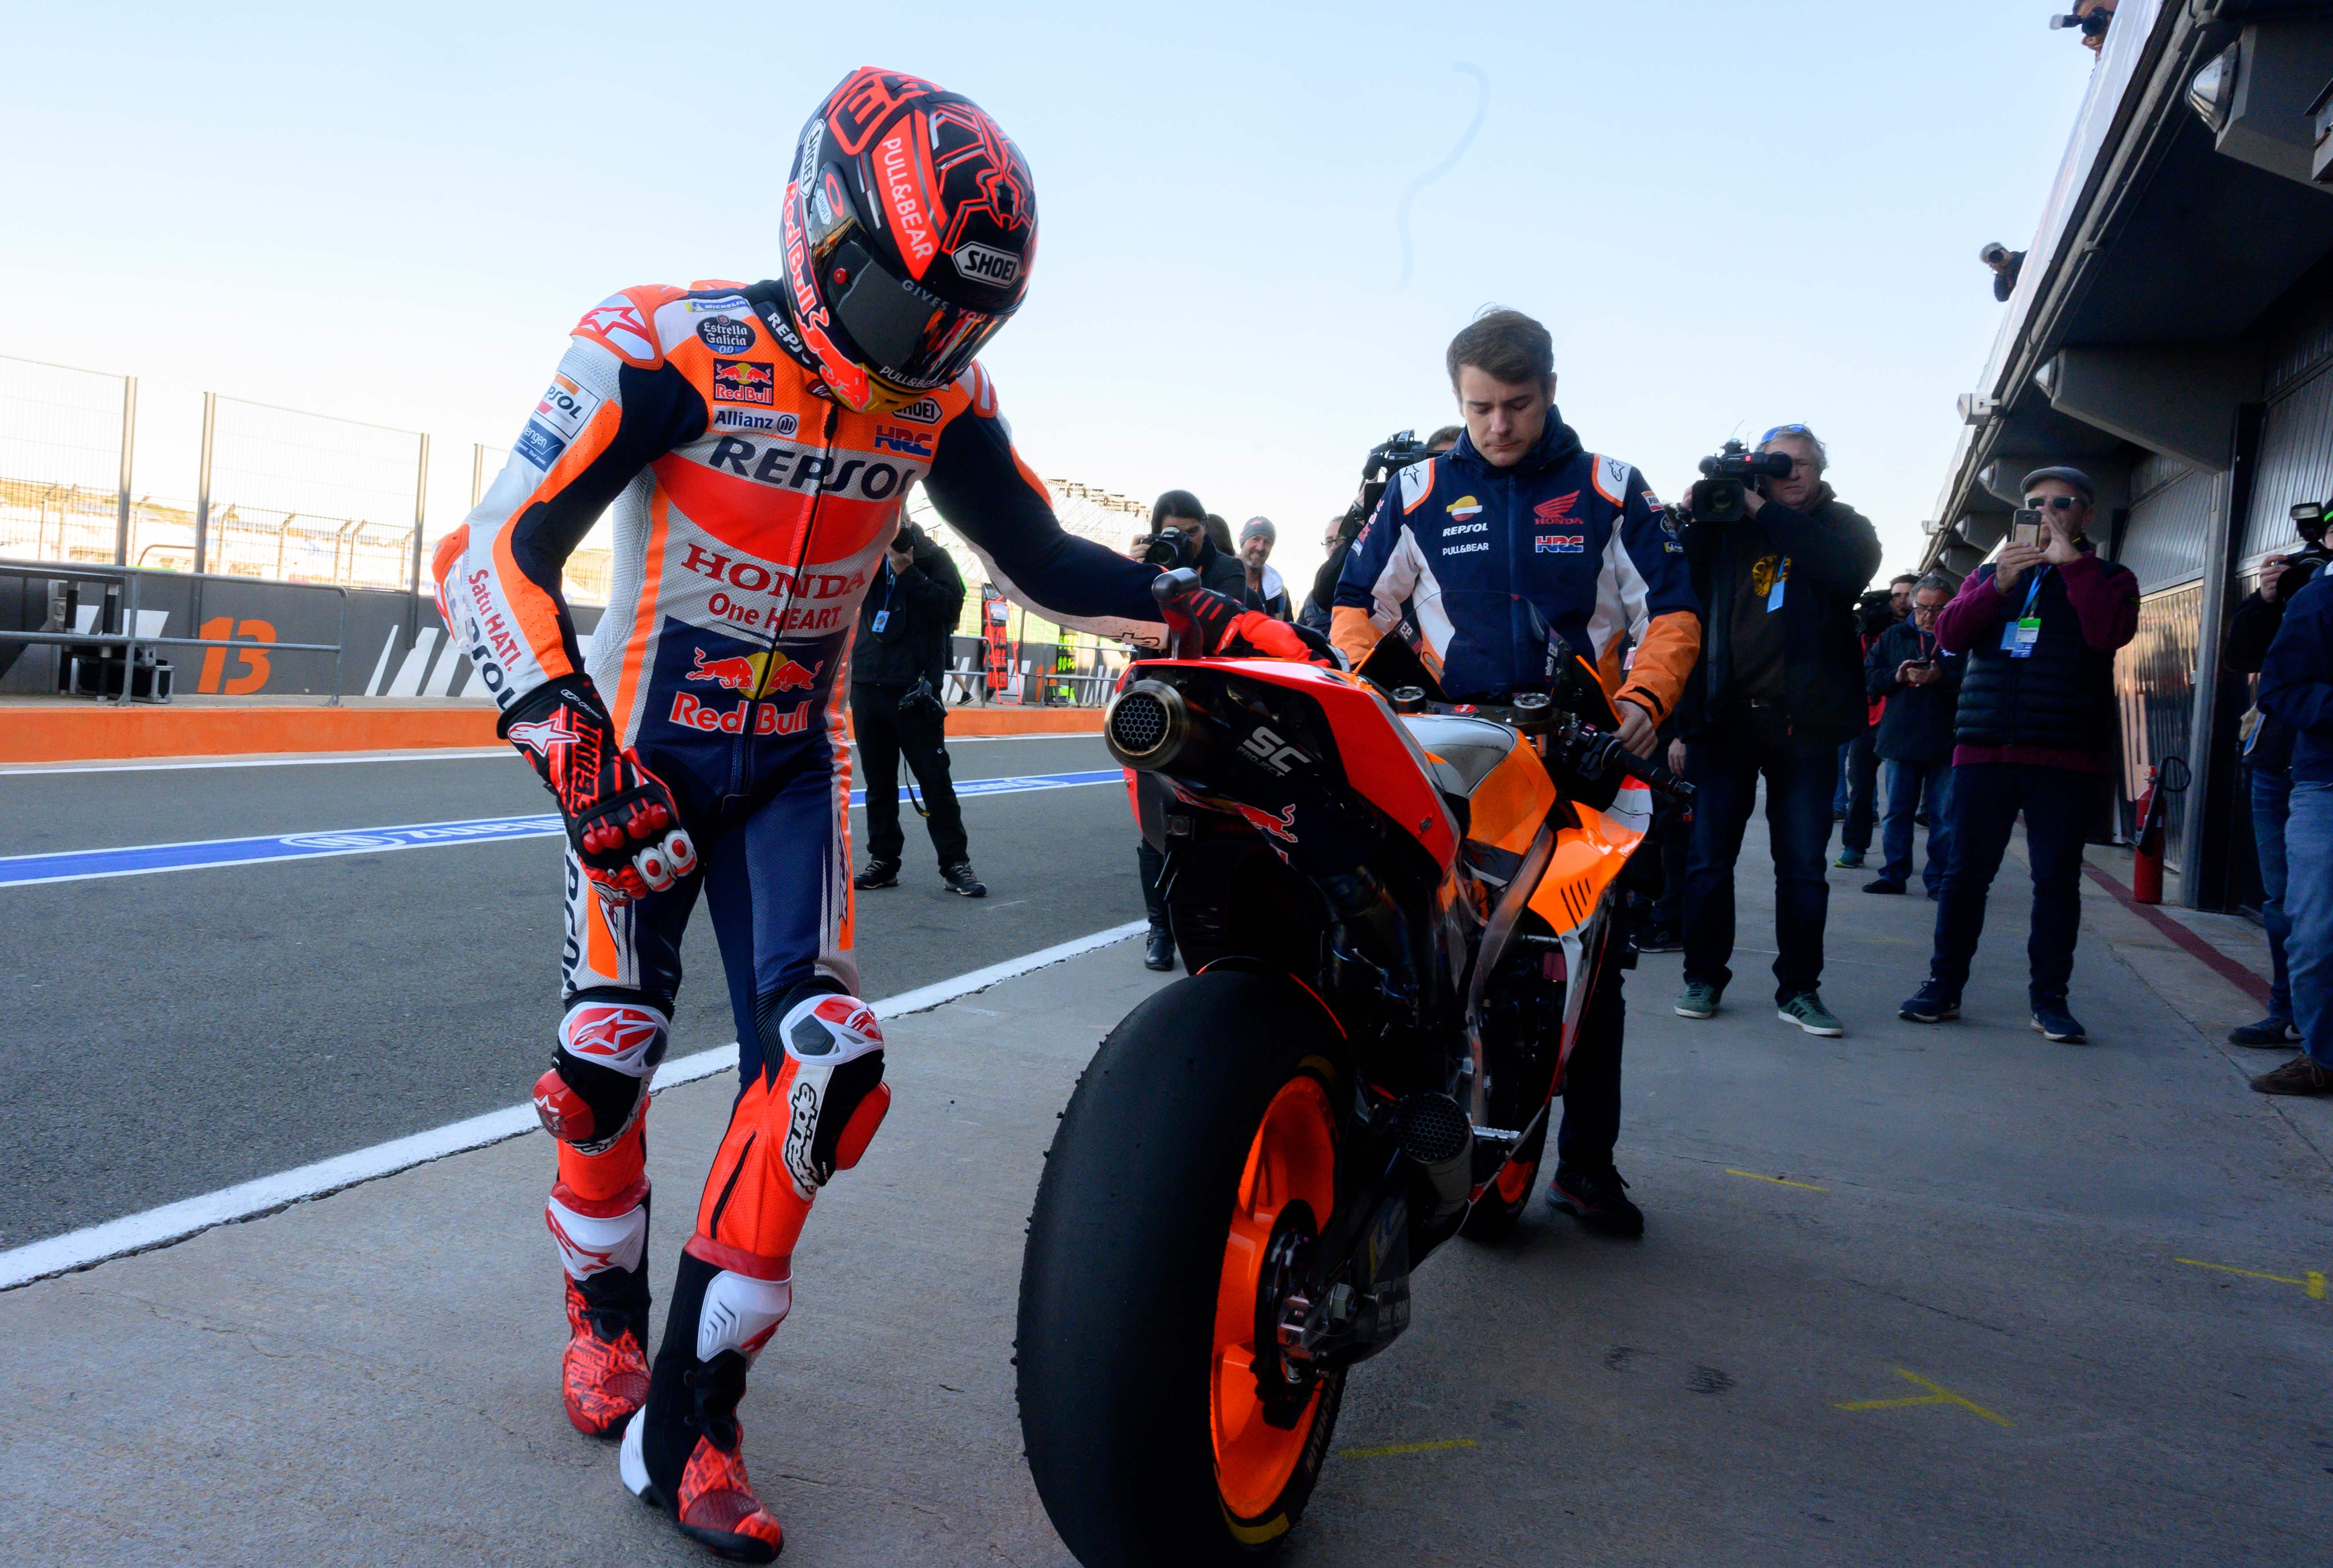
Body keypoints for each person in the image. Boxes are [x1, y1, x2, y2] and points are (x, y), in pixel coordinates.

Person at [431, 68, 1299, 1561]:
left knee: (828, 1069)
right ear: (823, 228)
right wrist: (574, 753)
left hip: (792, 770)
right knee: (602, 1062)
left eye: (969, 328)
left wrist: (1186, 601)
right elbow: (487, 551)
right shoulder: (660, 339)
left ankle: (688, 1418)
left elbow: (1031, 551)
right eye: (918, 315)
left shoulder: (943, 389)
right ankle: (601, 1321)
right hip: (638, 756)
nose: (935, 353)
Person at [1333, 306, 1699, 1238]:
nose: (1498, 426)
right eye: (1479, 407)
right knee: (1426, 954)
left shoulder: (1609, 490)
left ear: (1550, 392)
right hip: (1456, 757)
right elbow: (1352, 610)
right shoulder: (1416, 491)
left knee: (1591, 971)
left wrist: (1638, 714)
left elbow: (1674, 614)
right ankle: (1406, 1137)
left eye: (1518, 405)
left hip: (1581, 760)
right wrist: (1405, 702)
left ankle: (1586, 1168)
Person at [1898, 467, 2139, 1043]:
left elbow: (2108, 633)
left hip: (2065, 754)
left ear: (2084, 513)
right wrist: (1997, 583)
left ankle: (2049, 1000)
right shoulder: (1991, 573)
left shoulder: (2109, 576)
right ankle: (1944, 986)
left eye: (2062, 502)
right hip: (1985, 747)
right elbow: (1951, 638)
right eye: (2035, 503)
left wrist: (2070, 565)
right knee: (1964, 876)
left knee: (2055, 881)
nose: (2048, 511)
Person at [1672, 424, 1881, 1037]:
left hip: (1805, 726)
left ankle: (1799, 990)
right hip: (1725, 721)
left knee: (1802, 867)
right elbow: (1684, 612)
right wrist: (1695, 515)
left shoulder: (1845, 527)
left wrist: (1761, 507)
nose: (1791, 473)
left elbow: (1844, 572)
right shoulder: (1724, 526)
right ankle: (1703, 975)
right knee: (1708, 862)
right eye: (1778, 464)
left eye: (1802, 464)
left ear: (1821, 469)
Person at [2223, 521, 2333, 1048]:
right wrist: (2265, 599)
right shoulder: (2302, 589)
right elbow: (2242, 657)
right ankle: (2286, 1011)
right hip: (2277, 762)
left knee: (2315, 911)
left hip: (2319, 767)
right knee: (2282, 900)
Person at [850, 519, 981, 897]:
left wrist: (907, 570)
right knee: (878, 785)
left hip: (916, 691)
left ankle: (955, 864)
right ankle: (884, 861)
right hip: (869, 686)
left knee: (935, 782)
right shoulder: (869, 556)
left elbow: (950, 607)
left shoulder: (934, 558)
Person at [2249, 566, 2333, 1096]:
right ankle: (2321, 1055)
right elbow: (2278, 690)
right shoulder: (2318, 599)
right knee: (2316, 934)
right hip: (2326, 783)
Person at [1862, 572, 1962, 896]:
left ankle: (1938, 880)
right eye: (1923, 608)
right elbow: (1870, 680)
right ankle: (1894, 875)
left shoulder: (1962, 638)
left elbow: (1975, 684)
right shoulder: (1893, 636)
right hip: (1901, 737)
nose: (1930, 617)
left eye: (1939, 610)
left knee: (1943, 818)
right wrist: (1898, 675)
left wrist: (1941, 679)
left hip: (1946, 740)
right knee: (1896, 814)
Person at [1832, 580, 1906, 868]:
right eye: (1896, 596)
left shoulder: (1910, 635)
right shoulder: (1864, 636)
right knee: (1860, 787)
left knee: (1901, 794)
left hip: (1901, 721)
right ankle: (1854, 847)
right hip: (1866, 720)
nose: (1902, 601)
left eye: (1907, 595)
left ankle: (1899, 861)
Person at [1238, 516, 1291, 618]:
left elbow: (1286, 629)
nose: (1260, 548)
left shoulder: (1279, 593)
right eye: (1255, 539)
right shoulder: (1220, 574)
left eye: (1267, 542)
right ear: (1242, 542)